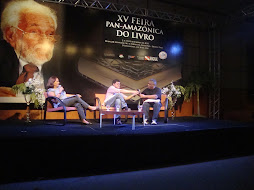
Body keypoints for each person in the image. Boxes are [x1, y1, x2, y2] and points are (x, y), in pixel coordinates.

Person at [0, 0, 58, 94]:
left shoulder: (61, 67)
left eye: (50, 33)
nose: (44, 40)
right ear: (11, 35)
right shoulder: (2, 55)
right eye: (34, 31)